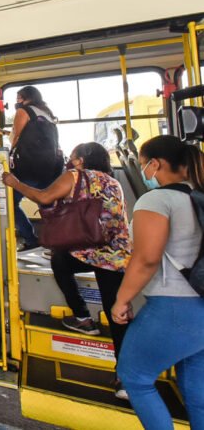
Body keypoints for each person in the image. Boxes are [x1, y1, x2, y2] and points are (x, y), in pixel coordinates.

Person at [3, 142, 131, 398]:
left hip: (87, 249)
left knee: (60, 261)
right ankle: (126, 377)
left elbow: (44, 197)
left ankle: (82, 316)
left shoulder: (74, 176)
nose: (69, 161)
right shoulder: (113, 182)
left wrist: (14, 183)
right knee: (116, 314)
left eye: (72, 157)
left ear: (81, 160)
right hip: (115, 254)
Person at [111, 135, 204, 429]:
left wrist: (122, 300)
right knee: (196, 390)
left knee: (134, 377)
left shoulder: (156, 200)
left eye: (142, 164)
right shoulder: (198, 196)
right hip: (200, 308)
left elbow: (146, 259)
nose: (143, 171)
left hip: (174, 307)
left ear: (156, 164)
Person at [6, 86, 63, 251]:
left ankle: (31, 239)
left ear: (27, 97)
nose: (17, 101)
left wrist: (9, 154)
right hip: (51, 168)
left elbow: (16, 136)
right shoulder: (47, 114)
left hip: (29, 167)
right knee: (46, 205)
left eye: (19, 98)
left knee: (10, 203)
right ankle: (58, 240)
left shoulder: (24, 111)